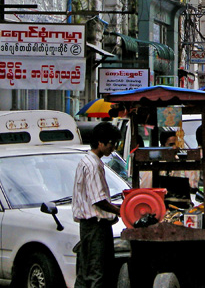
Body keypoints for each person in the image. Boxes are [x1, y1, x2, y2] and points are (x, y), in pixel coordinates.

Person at [73, 121, 122, 288]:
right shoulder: (93, 165)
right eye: (111, 144)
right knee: (97, 271)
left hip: (89, 226)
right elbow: (98, 200)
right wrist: (118, 211)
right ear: (101, 142)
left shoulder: (86, 161)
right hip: (95, 227)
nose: (113, 148)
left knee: (85, 271)